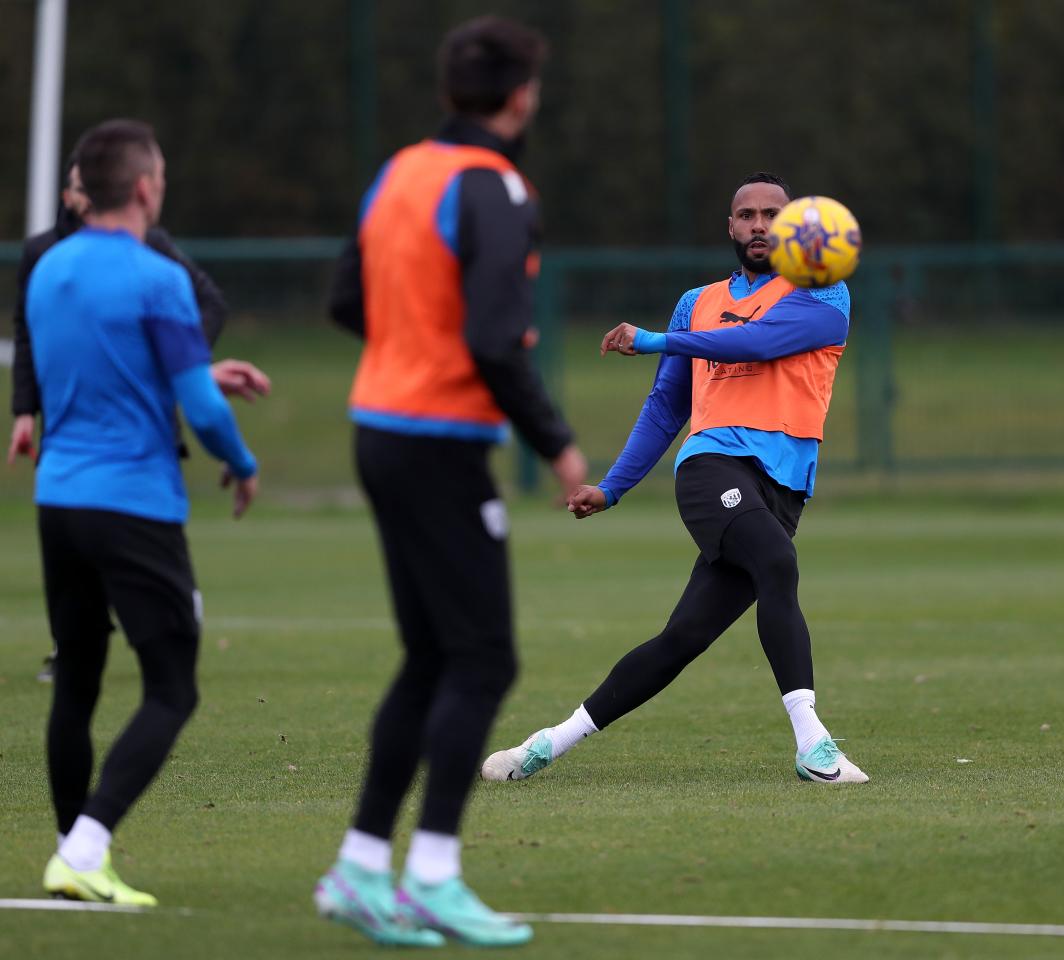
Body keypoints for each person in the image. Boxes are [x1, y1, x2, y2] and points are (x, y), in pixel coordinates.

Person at [316, 16, 586, 949]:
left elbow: (346, 300)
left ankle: (359, 868)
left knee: (433, 656)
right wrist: (555, 441)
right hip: (436, 444)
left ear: (447, 92)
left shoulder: (401, 171)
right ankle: (431, 872)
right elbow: (490, 340)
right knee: (483, 658)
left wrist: (408, 356)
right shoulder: (497, 184)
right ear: (521, 96)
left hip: (378, 429)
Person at [483, 172, 870, 788]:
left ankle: (549, 743)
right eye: (746, 214)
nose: (760, 224)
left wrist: (654, 340)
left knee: (682, 639)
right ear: (731, 227)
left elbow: (758, 342)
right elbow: (667, 406)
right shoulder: (696, 302)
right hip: (712, 467)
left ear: (797, 226)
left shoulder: (825, 296)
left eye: (774, 213)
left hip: (784, 487)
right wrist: (613, 486)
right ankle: (813, 743)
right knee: (776, 564)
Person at [27, 118, 260, 906]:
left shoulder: (47, 269)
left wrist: (194, 373)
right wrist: (241, 461)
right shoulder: (157, 276)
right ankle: (87, 848)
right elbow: (198, 404)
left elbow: (108, 373)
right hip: (131, 503)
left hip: (58, 499)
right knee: (172, 688)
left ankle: (73, 857)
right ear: (147, 186)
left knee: (78, 685)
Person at [9, 157, 265, 682]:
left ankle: (139, 626)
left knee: (86, 692)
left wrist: (183, 366)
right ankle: (82, 641)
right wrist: (23, 411)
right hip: (83, 455)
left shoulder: (151, 256)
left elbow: (206, 308)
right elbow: (34, 341)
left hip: (102, 460)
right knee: (165, 692)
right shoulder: (47, 258)